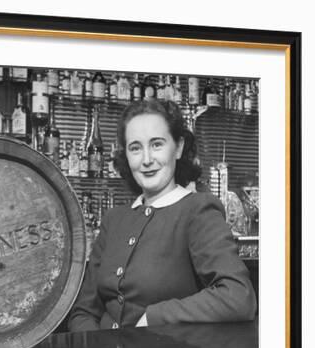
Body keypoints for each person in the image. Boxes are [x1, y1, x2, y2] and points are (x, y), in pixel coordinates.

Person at [68, 99, 257, 332]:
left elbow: (238, 296)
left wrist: (154, 316)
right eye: (135, 148)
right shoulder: (114, 220)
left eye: (157, 144)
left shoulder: (198, 210)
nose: (146, 159)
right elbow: (83, 311)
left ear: (178, 148)